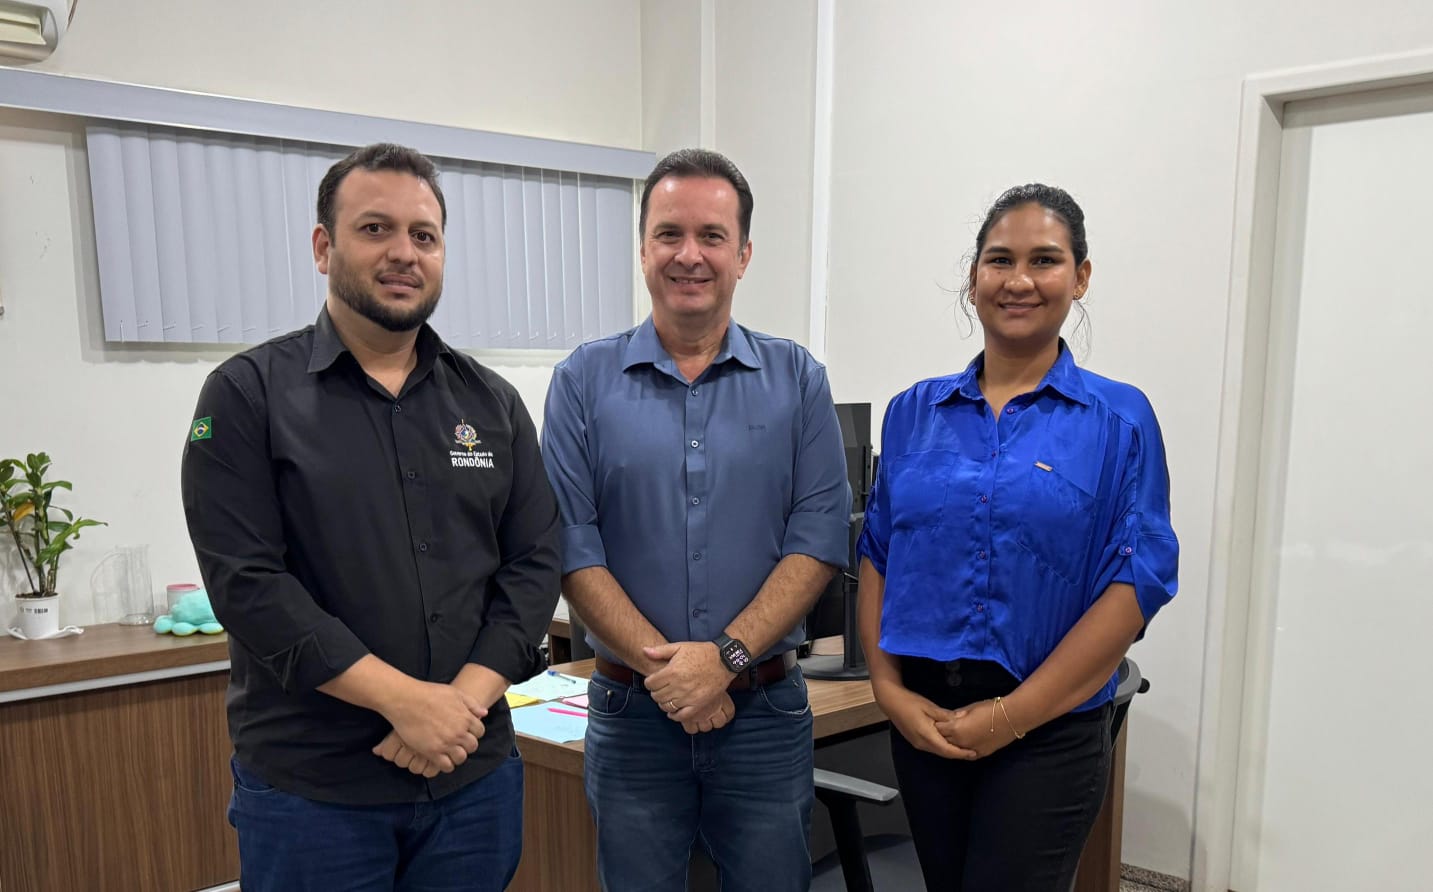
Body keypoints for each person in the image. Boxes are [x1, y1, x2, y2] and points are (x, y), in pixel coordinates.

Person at [180, 142, 561, 892]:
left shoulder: (490, 404)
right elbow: (248, 584)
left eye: (424, 235)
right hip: (314, 794)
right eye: (374, 229)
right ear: (324, 247)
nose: (403, 253)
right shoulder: (246, 395)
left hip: (471, 780)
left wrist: (458, 708)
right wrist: (405, 703)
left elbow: (534, 562)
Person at [540, 148, 851, 891]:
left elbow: (817, 537)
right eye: (669, 234)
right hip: (631, 715)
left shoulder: (798, 379)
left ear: (742, 254)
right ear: (643, 247)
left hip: (765, 713)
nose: (689, 255)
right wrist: (672, 674)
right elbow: (570, 546)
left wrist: (723, 661)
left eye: (711, 236)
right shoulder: (581, 382)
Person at [855, 184, 1178, 891]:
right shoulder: (914, 412)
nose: (1019, 280)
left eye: (1045, 260)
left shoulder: (1118, 419)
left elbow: (1137, 581)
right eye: (999, 260)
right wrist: (886, 690)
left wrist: (1009, 717)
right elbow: (880, 551)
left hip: (1046, 728)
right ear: (973, 279)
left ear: (1080, 276)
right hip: (922, 719)